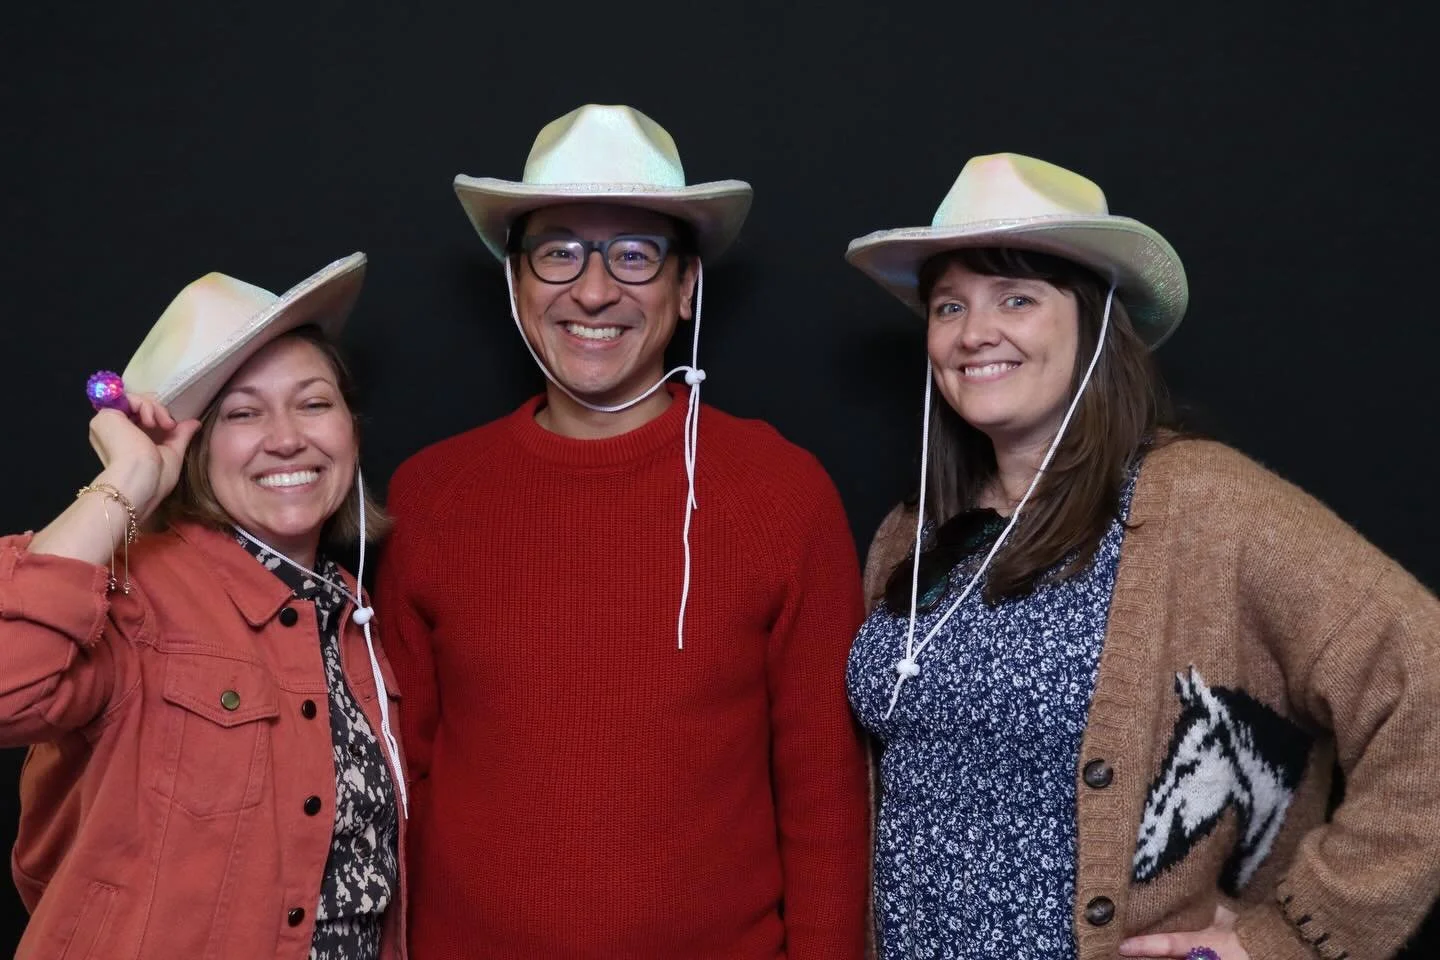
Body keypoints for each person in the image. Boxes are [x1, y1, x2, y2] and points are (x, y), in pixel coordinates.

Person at [843, 153, 1440, 960]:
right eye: (949, 306)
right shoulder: (913, 532)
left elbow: (1425, 677)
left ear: (1094, 322)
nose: (973, 331)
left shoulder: (1200, 502)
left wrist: (1293, 936)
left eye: (1015, 298)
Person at [377, 103, 870, 959]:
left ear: (685, 288)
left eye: (634, 255)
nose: (594, 289)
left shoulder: (782, 493)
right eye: (559, 251)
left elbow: (825, 797)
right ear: (517, 280)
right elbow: (398, 780)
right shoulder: (431, 496)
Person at [0, 254, 410, 959]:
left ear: (351, 427)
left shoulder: (359, 617)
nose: (287, 437)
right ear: (194, 451)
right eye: (244, 413)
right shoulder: (136, 596)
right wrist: (127, 481)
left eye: (314, 403)